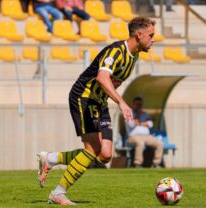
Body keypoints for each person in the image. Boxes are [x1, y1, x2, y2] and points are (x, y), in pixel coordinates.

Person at [37, 16, 156, 205]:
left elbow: (109, 83)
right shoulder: (117, 51)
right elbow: (102, 78)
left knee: (105, 155)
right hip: (84, 97)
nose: (153, 39)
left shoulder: (134, 57)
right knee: (92, 149)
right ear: (139, 34)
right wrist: (122, 103)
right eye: (151, 35)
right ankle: (58, 193)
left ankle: (51, 158)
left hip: (100, 101)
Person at [126, 97, 163, 168]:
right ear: (133, 104)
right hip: (133, 136)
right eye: (137, 104)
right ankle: (138, 164)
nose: (139, 106)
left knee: (159, 144)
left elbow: (150, 124)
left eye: (140, 104)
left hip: (147, 136)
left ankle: (156, 163)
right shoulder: (129, 114)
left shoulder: (145, 114)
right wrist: (140, 119)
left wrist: (139, 123)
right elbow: (131, 124)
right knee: (140, 143)